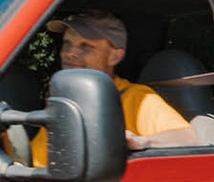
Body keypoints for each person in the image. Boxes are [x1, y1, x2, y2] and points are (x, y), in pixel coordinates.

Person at [32, 11, 197, 159]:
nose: (70, 53)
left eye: (86, 46)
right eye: (67, 43)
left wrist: (142, 142)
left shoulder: (134, 97)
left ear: (114, 57)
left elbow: (187, 139)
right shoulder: (68, 103)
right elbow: (35, 163)